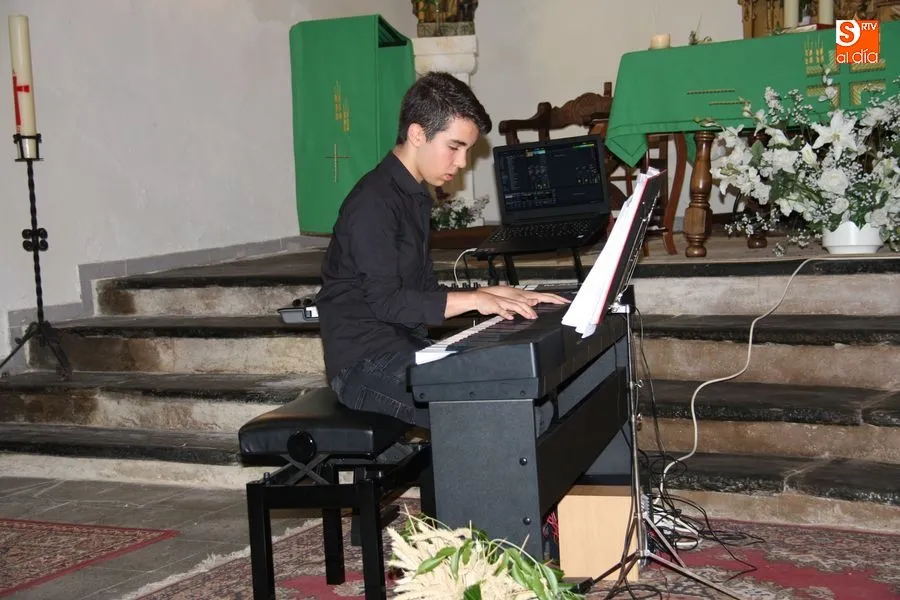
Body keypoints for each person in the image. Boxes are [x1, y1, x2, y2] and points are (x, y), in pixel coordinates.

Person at [315, 71, 569, 428]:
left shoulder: (413, 196)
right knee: (516, 414)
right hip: (364, 363)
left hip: (401, 345)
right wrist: (477, 301)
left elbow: (421, 294)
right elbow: (388, 302)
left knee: (524, 391)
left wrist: (487, 292)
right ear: (418, 134)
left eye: (467, 150)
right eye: (455, 147)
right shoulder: (373, 202)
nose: (462, 162)